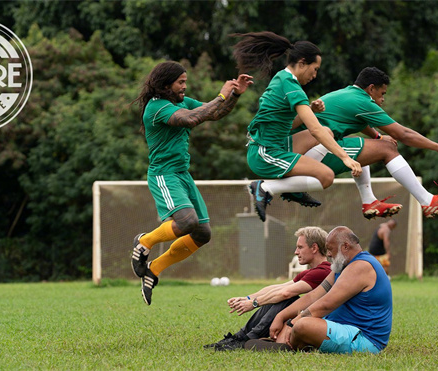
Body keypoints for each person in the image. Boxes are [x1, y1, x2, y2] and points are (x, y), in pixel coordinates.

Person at [131, 61, 254, 305]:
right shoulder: (157, 108)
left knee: (203, 233)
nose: (185, 86)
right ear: (166, 84)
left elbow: (213, 113)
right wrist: (221, 94)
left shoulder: (180, 102)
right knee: (187, 221)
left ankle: (155, 269)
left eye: (185, 81)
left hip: (182, 175)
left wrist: (235, 96)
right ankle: (144, 242)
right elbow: (191, 119)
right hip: (164, 174)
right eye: (181, 82)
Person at [231, 31, 362, 222]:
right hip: (264, 154)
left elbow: (288, 125)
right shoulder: (292, 86)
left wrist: (310, 110)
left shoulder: (282, 78)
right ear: (301, 63)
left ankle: (295, 188)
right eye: (314, 69)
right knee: (326, 177)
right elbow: (315, 130)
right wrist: (345, 158)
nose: (315, 75)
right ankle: (265, 188)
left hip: (275, 145)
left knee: (327, 131)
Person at [303, 67, 438, 219]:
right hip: (311, 154)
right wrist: (437, 146)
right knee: (387, 148)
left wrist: (378, 136)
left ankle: (369, 202)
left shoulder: (347, 94)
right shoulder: (362, 101)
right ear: (371, 89)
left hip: (307, 148)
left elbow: (358, 120)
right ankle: (428, 201)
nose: (383, 99)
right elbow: (403, 134)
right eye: (382, 93)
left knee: (367, 146)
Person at [248, 226, 392, 354]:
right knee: (295, 318)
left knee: (302, 324)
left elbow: (326, 304)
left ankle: (294, 346)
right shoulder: (342, 266)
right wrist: (281, 316)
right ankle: (295, 344)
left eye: (330, 249)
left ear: (345, 246)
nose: (328, 254)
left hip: (365, 340)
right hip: (342, 328)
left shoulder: (361, 266)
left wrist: (294, 323)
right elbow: (313, 296)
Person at [204, 226, 332, 351]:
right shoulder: (312, 271)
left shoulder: (323, 271)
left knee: (285, 298)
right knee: (276, 296)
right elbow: (279, 287)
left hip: (316, 324)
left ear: (314, 248)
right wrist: (249, 298)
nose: (296, 252)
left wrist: (254, 303)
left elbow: (286, 293)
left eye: (300, 247)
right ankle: (239, 337)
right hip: (305, 319)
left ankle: (247, 339)